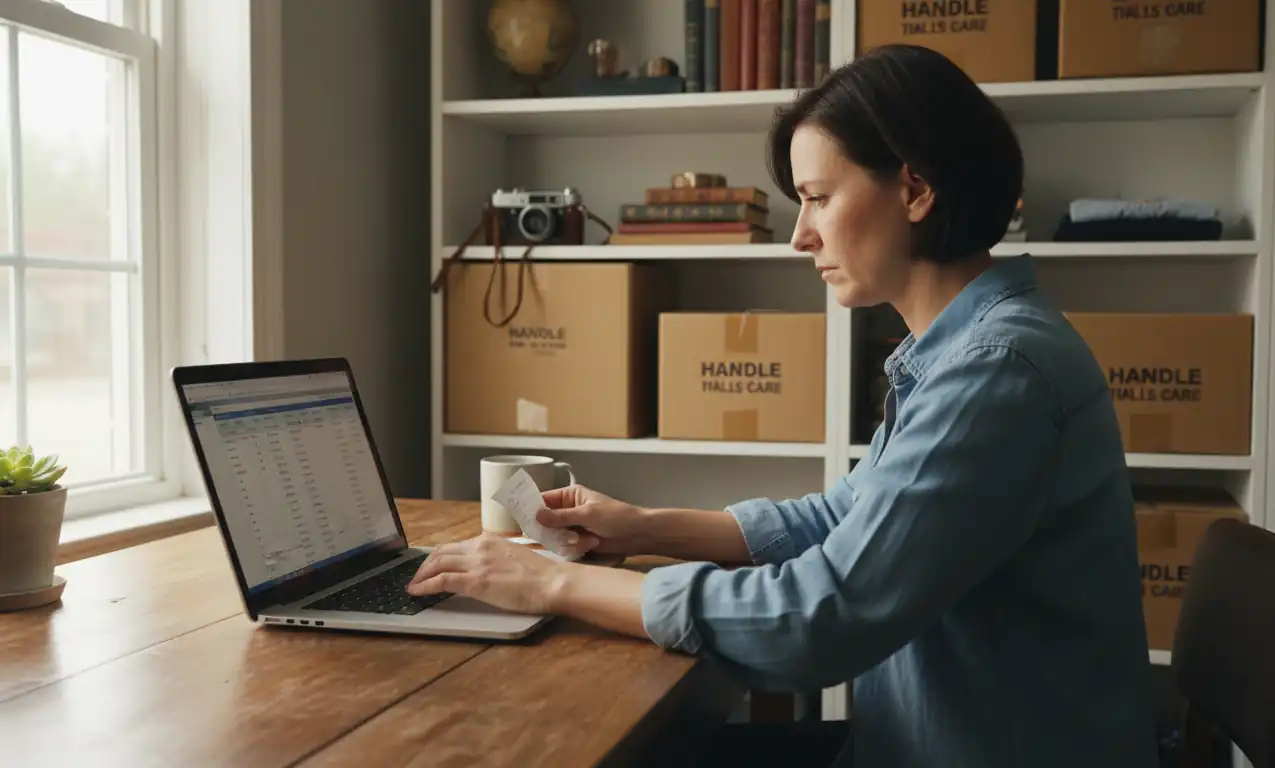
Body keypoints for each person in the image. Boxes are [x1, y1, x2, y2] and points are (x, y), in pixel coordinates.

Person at [408, 43, 1158, 768]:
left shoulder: (995, 371)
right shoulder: (964, 351)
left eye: (818, 199)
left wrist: (556, 583)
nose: (800, 236)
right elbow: (845, 519)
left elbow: (821, 616)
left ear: (915, 190)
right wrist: (643, 526)